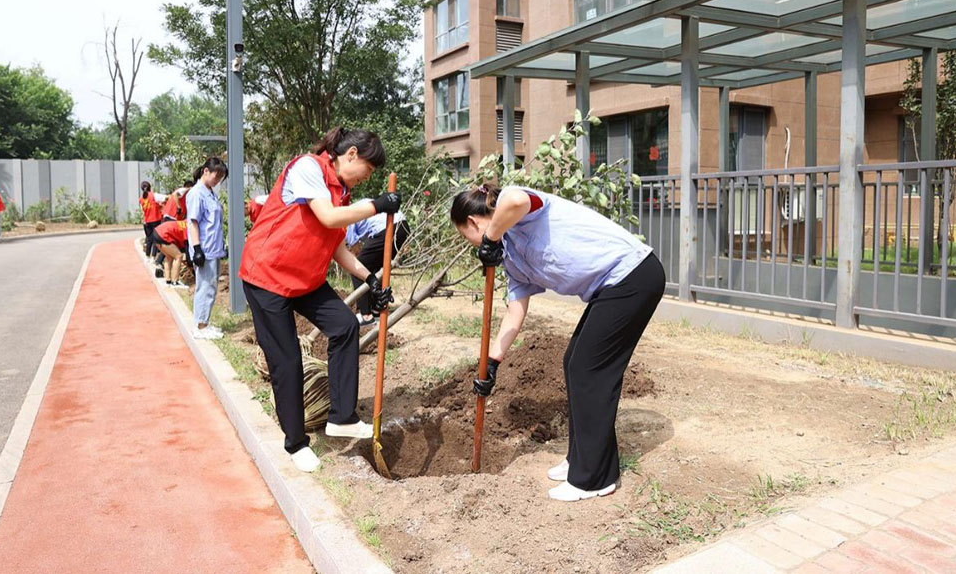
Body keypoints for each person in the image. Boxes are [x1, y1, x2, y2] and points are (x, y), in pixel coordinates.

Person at [451, 184, 665, 502]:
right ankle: (581, 460)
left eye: (465, 235)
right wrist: (492, 363)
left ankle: (594, 478)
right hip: (611, 287)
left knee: (588, 370)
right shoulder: (511, 257)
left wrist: (490, 237)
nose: (470, 243)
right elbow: (515, 312)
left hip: (633, 275)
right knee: (573, 362)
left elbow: (516, 200)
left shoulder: (516, 207)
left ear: (472, 222)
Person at [239, 127, 400, 473]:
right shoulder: (308, 168)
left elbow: (337, 247)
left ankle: (341, 417)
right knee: (287, 361)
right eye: (368, 170)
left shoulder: (340, 192)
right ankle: (296, 444)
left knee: (345, 326)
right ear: (352, 154)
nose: (367, 178)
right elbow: (327, 217)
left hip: (305, 279)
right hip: (267, 277)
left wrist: (371, 280)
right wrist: (376, 206)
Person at [345, 199, 410, 326]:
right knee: (375, 269)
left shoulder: (347, 217)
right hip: (403, 226)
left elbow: (355, 249)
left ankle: (366, 315)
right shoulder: (360, 206)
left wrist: (353, 262)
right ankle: (376, 309)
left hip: (389, 227)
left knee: (357, 269)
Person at [186, 159, 228, 340]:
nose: (217, 180)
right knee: (205, 287)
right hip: (205, 248)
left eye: (220, 178)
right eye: (216, 176)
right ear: (206, 171)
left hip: (214, 247)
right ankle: (201, 326)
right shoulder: (197, 193)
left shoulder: (210, 193)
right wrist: (197, 249)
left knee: (210, 286)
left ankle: (204, 322)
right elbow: (193, 222)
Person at [151, 219, 190, 288]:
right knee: (178, 256)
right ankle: (175, 281)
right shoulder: (190, 228)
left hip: (157, 232)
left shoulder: (186, 222)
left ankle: (168, 280)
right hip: (164, 234)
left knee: (169, 257)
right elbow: (187, 247)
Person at [139, 181, 166, 258]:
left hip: (147, 221)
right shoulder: (154, 195)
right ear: (150, 187)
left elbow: (143, 210)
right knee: (155, 239)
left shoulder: (141, 199)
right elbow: (166, 198)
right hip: (155, 220)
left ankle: (147, 255)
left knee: (149, 239)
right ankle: (153, 256)